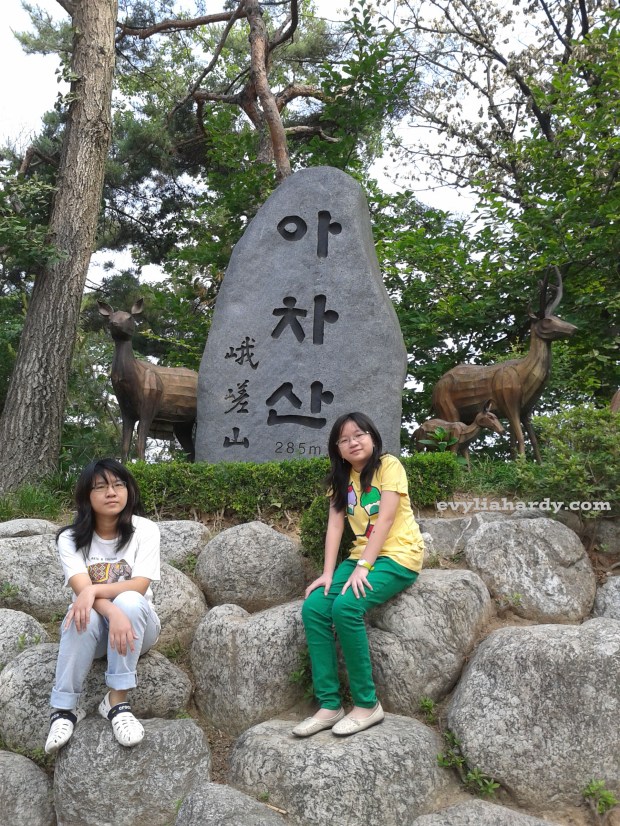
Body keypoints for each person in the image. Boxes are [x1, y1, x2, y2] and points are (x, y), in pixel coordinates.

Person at [293, 412, 424, 737]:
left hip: (398, 556)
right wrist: (328, 573)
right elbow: (336, 525)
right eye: (344, 439)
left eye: (359, 434)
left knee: (346, 606)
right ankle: (329, 705)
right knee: (314, 608)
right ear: (336, 447)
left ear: (373, 438)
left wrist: (364, 567)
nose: (353, 442)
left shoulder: (389, 466)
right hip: (358, 557)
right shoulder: (341, 477)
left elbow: (387, 519)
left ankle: (367, 705)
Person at [45, 458, 161, 754]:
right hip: (94, 633)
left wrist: (97, 591)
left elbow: (140, 585)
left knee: (131, 601)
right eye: (101, 487)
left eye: (118, 484)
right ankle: (63, 710)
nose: (112, 492)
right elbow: (81, 592)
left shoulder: (144, 530)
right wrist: (111, 610)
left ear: (128, 491)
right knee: (80, 613)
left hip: (139, 629)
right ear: (86, 497)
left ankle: (116, 702)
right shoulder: (70, 539)